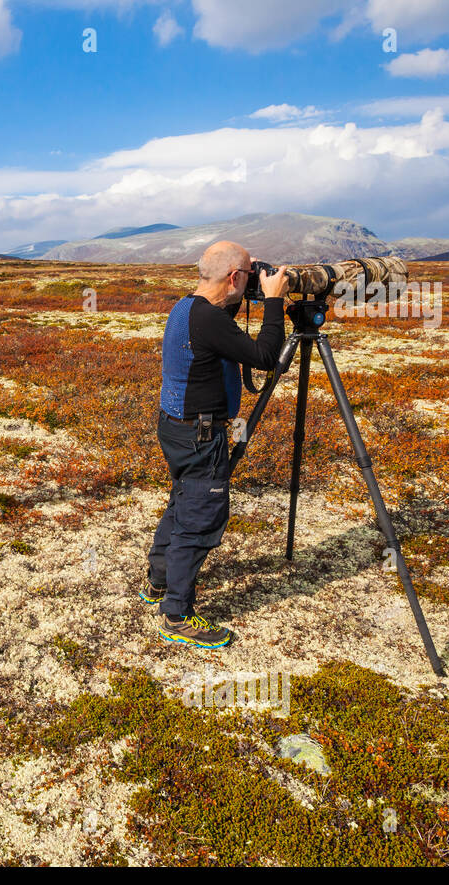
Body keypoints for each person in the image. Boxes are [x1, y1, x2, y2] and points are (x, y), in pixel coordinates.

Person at [142, 241, 289, 647]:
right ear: (234, 277)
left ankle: (157, 581)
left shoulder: (187, 307)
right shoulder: (210, 319)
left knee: (183, 500)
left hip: (176, 427)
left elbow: (225, 339)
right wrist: (274, 303)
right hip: (199, 435)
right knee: (200, 516)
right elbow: (264, 355)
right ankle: (176, 614)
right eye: (248, 273)